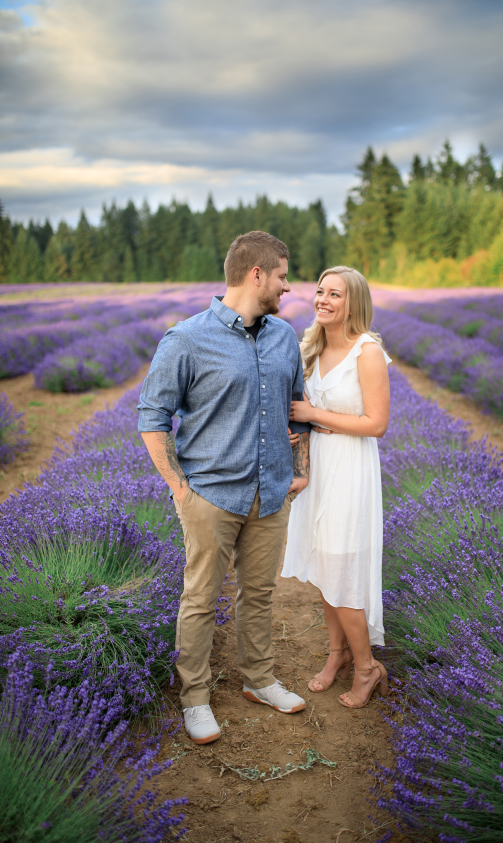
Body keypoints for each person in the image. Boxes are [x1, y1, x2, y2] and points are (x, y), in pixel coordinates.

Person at [138, 231, 312, 745]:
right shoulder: (186, 339)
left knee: (258, 595)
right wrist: (177, 485)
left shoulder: (284, 336)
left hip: (271, 491)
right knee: (201, 598)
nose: (288, 284)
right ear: (256, 273)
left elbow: (296, 407)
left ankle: (259, 679)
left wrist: (299, 467)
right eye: (283, 274)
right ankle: (194, 698)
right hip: (212, 495)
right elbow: (153, 417)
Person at [281, 265, 392, 709]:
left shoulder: (367, 352)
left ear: (354, 303)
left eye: (335, 295)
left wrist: (313, 418)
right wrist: (296, 430)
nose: (323, 300)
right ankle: (337, 656)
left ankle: (367, 669)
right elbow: (300, 408)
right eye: (321, 291)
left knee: (342, 569)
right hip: (318, 468)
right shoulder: (310, 345)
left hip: (350, 468)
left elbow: (376, 424)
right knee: (326, 567)